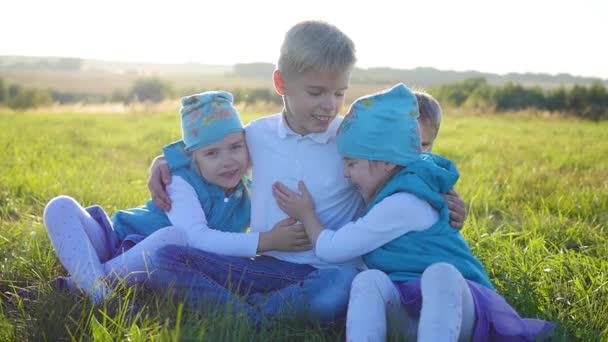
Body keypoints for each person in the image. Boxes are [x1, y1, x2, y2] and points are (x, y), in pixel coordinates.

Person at [146, 20, 466, 325]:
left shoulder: (352, 142)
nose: (330, 105)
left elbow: (408, 173)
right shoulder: (257, 135)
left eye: (339, 93)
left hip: (329, 270)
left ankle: (246, 315)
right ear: (281, 83)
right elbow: (211, 148)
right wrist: (163, 162)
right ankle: (263, 311)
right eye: (316, 92)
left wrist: (446, 199)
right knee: (168, 257)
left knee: (342, 287)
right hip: (266, 265)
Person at [272, 83, 555, 341]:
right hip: (411, 312)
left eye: (351, 163)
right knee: (369, 280)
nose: (345, 174)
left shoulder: (404, 203)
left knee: (440, 274)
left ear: (383, 162)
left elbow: (334, 249)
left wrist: (307, 214)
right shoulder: (388, 193)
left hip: (459, 309)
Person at [43, 91, 309, 304]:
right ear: (193, 157)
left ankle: (81, 285)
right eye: (212, 153)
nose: (228, 161)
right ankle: (101, 295)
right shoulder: (179, 181)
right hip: (116, 240)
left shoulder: (249, 189)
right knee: (60, 206)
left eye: (235, 147)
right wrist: (266, 241)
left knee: (173, 245)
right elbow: (196, 237)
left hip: (158, 264)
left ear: (247, 147)